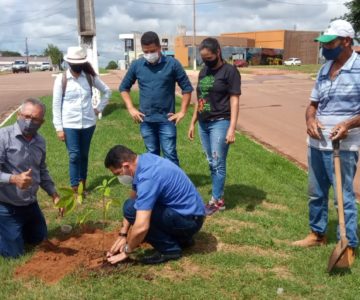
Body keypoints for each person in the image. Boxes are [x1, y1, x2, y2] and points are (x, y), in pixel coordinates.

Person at [292, 20, 360, 268]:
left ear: (346, 42)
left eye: (330, 43)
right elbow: (313, 105)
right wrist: (310, 120)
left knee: (343, 196)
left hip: (345, 146)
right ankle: (317, 234)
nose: (325, 48)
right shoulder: (324, 69)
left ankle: (349, 244)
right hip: (317, 143)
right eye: (324, 43)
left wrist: (348, 125)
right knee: (316, 192)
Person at [104, 145, 205, 265]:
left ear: (126, 166)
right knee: (131, 206)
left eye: (118, 173)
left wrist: (126, 251)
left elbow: (142, 226)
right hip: (192, 216)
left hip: (189, 221)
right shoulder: (145, 160)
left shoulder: (148, 178)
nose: (119, 178)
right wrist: (123, 234)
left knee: (131, 209)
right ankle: (182, 239)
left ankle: (169, 250)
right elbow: (134, 197)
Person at [119, 31, 193, 166]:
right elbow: (124, 88)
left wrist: (182, 112)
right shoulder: (137, 65)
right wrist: (131, 108)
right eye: (146, 51)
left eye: (152, 51)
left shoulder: (172, 64)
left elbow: (187, 88)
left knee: (170, 155)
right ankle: (157, 184)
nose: (149, 54)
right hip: (146, 120)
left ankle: (174, 185)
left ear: (159, 48)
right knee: (152, 155)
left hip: (166, 120)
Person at [0, 98, 60, 258]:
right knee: (14, 254)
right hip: (6, 206)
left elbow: (42, 170)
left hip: (30, 204)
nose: (29, 121)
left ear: (42, 122)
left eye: (35, 119)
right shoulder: (3, 137)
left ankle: (17, 229)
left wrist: (54, 194)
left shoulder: (40, 141)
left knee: (39, 239)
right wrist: (14, 179)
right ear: (18, 114)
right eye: (26, 116)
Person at [188, 37, 240, 215]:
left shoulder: (230, 72)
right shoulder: (203, 72)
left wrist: (232, 128)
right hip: (204, 123)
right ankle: (218, 196)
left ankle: (216, 200)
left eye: (209, 57)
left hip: (221, 122)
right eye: (203, 57)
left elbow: (234, 101)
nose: (206, 60)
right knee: (211, 162)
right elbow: (200, 99)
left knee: (218, 162)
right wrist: (193, 122)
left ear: (218, 52)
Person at [53, 46, 111, 193]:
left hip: (88, 124)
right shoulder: (62, 79)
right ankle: (74, 189)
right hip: (69, 124)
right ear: (68, 63)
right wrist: (59, 128)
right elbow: (56, 104)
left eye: (79, 63)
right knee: (74, 156)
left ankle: (83, 187)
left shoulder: (90, 77)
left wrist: (98, 108)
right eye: (73, 63)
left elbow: (107, 91)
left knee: (84, 155)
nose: (76, 65)